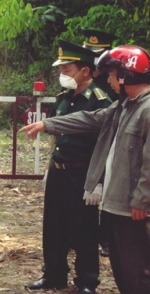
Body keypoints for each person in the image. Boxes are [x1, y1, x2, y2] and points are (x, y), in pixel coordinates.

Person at [19, 45, 150, 294]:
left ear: (126, 76)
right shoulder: (123, 106)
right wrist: (48, 124)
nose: (110, 81)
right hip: (116, 198)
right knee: (119, 257)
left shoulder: (146, 110)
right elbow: (90, 118)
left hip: (132, 201)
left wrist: (142, 199)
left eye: (113, 75)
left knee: (135, 259)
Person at [23, 40, 112, 294]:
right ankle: (54, 273)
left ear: (85, 71)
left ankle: (86, 281)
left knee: (83, 228)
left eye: (68, 69)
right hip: (60, 170)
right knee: (54, 225)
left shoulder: (100, 101)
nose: (63, 74)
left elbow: (103, 144)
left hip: (82, 173)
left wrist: (98, 182)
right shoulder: (63, 99)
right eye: (61, 69)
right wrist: (51, 167)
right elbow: (58, 136)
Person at [82, 29, 119, 257]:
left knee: (107, 194)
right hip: (84, 146)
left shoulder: (114, 84)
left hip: (108, 143)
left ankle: (106, 238)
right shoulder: (85, 81)